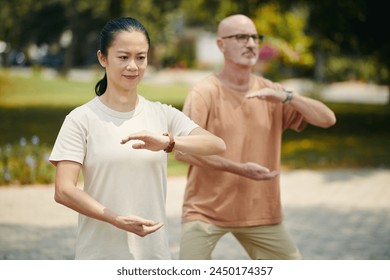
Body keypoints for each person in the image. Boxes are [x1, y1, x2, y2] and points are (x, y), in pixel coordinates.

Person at [49, 17, 225, 260]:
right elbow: (64, 190)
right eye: (123, 57)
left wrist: (168, 143)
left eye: (140, 57)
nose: (133, 66)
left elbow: (216, 145)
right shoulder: (81, 119)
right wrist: (116, 219)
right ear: (103, 58)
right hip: (99, 258)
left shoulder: (162, 113)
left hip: (154, 257)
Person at [176, 14, 336, 260]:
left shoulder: (272, 92)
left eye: (254, 37)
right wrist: (240, 169)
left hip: (261, 213)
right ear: (221, 45)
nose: (250, 43)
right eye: (241, 37)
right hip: (206, 211)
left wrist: (288, 97)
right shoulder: (204, 92)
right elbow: (183, 151)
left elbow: (327, 119)